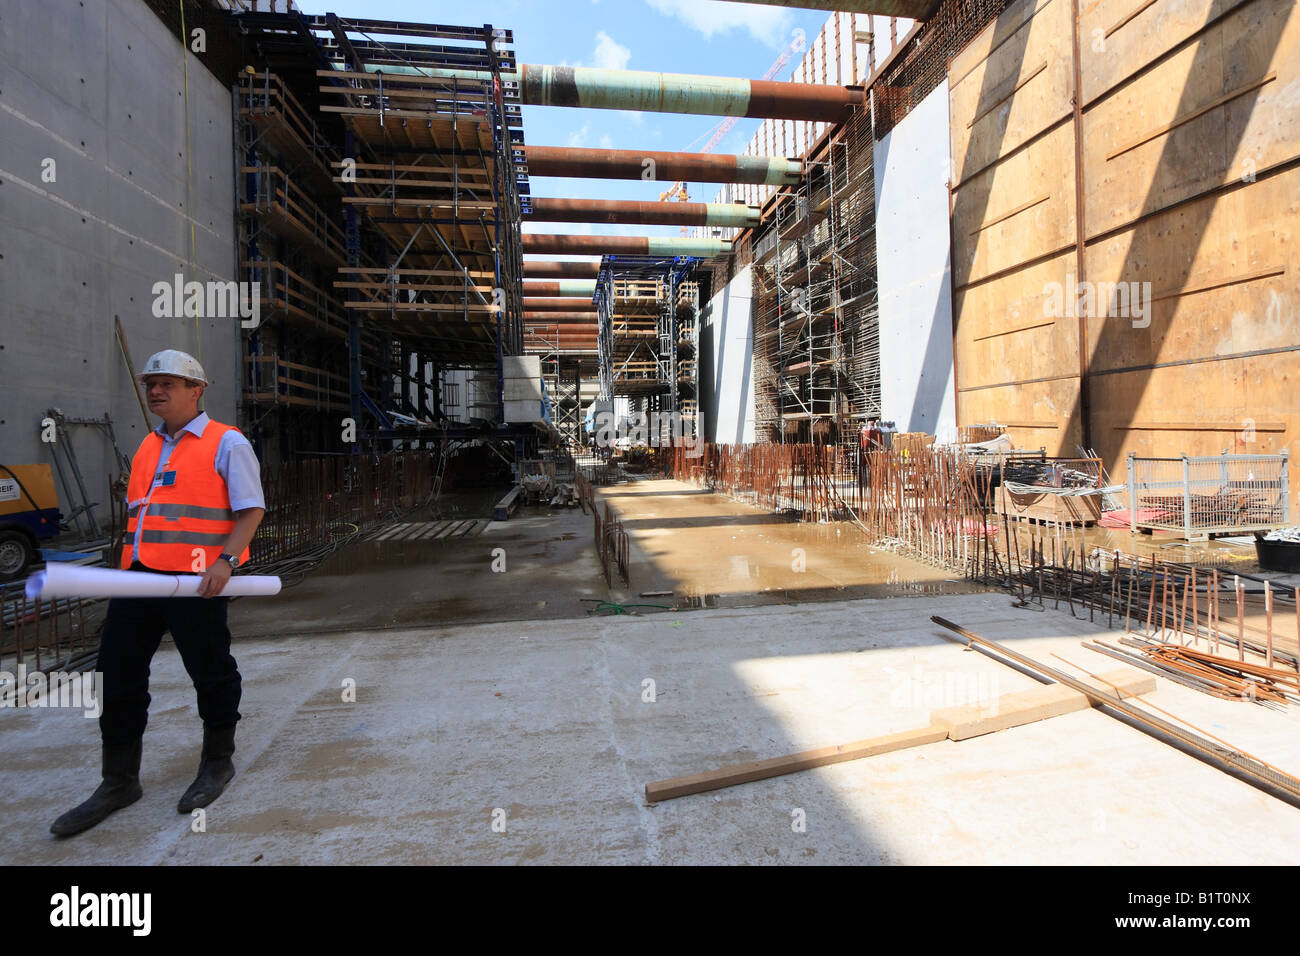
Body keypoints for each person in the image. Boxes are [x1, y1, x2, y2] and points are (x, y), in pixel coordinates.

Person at [51, 350, 266, 837]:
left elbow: (250, 510)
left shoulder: (226, 443)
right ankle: (119, 780)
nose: (156, 391)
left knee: (210, 670)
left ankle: (217, 761)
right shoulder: (148, 446)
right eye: (151, 383)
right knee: (115, 675)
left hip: (194, 581)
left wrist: (225, 562)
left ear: (197, 390)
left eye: (168, 383)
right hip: (138, 578)